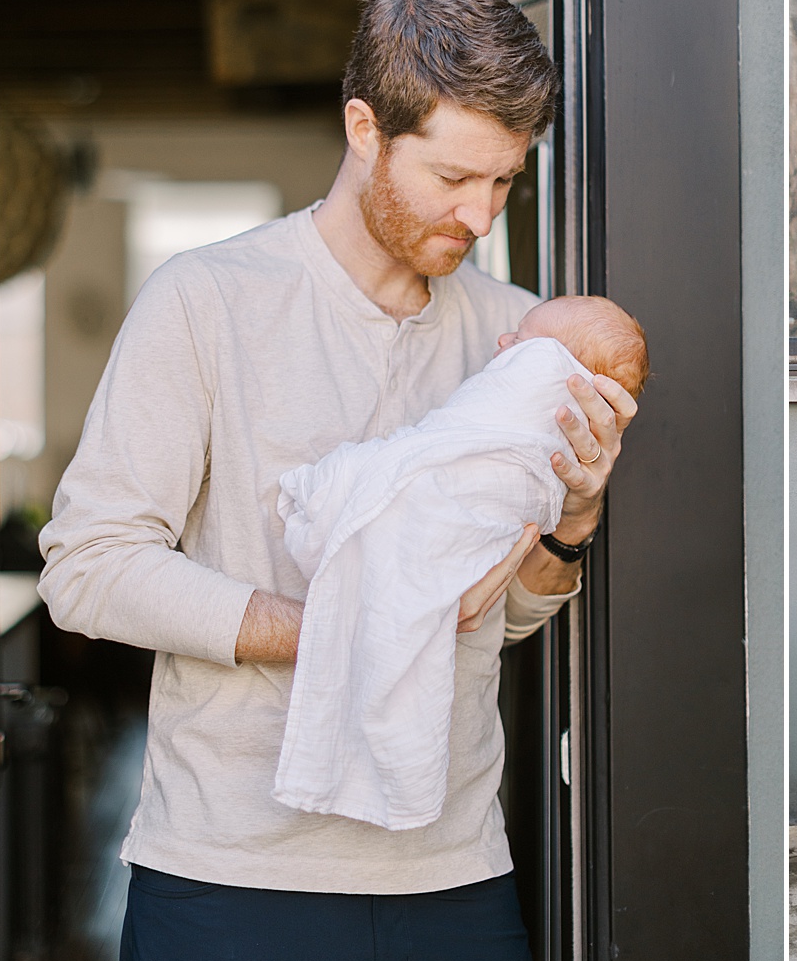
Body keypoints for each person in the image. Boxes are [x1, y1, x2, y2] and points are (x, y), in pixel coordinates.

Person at [38, 0, 638, 961]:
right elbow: (87, 566)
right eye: (453, 175)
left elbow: (498, 619)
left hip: (451, 879)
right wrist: (338, 627)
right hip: (228, 884)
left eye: (503, 183)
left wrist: (572, 523)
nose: (479, 214)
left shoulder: (519, 342)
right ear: (364, 127)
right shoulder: (206, 300)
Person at [273, 296, 648, 832]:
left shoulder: (540, 342)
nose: (504, 344)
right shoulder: (204, 295)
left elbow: (504, 621)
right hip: (242, 854)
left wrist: (577, 513)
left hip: (461, 848)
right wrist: (393, 618)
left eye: (519, 342)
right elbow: (106, 565)